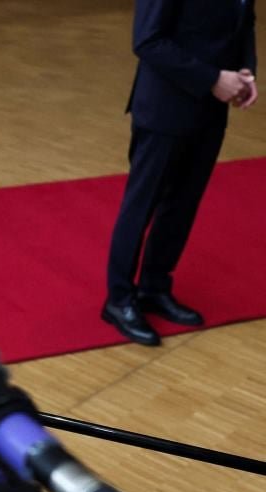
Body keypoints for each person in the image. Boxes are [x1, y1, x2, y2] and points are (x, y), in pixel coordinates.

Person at [102, 0, 257, 346]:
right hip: (164, 107)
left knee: (183, 205)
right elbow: (147, 39)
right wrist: (213, 79)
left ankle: (154, 287)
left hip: (210, 110)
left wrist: (246, 71)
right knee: (141, 206)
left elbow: (245, 20)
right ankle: (119, 300)